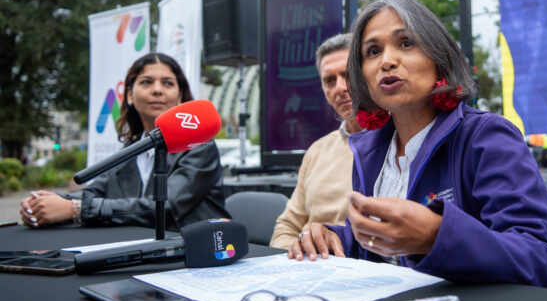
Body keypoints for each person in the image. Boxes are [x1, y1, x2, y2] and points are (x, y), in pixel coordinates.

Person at [289, 0, 547, 286]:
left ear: (439, 57)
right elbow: (381, 252)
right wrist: (332, 237)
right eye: (372, 52)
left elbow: (541, 261)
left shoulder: (486, 136)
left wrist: (436, 236)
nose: (387, 61)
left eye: (405, 43)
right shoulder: (369, 152)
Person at [19, 53, 229, 231]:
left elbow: (166, 206)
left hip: (194, 262)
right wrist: (45, 202)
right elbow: (95, 191)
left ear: (180, 96)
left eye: (168, 83)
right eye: (146, 82)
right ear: (129, 94)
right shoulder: (132, 149)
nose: (157, 90)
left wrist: (76, 209)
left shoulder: (200, 146)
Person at [269, 34, 362, 249]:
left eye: (348, 75)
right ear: (323, 91)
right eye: (330, 80)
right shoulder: (317, 151)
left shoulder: (398, 144)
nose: (340, 87)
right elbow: (286, 227)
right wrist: (299, 257)